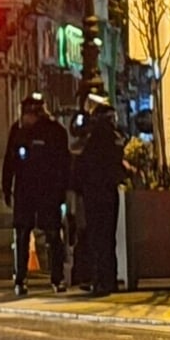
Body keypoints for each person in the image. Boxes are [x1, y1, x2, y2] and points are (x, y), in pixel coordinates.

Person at [0, 93, 71, 295]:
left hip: (44, 190)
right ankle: (23, 279)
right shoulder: (20, 131)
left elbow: (63, 164)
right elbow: (10, 160)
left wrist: (62, 191)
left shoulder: (52, 131)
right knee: (25, 234)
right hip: (31, 190)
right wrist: (6, 186)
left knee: (50, 234)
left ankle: (54, 278)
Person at [72, 94, 125, 296]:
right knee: (108, 238)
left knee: (96, 237)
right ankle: (109, 279)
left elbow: (82, 165)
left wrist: (79, 188)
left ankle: (99, 280)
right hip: (109, 192)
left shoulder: (93, 139)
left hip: (94, 193)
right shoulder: (115, 137)